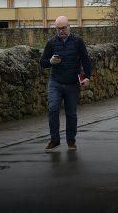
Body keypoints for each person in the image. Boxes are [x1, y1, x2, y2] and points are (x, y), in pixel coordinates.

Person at [39, 16, 92, 152]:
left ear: (69, 27)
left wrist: (87, 77)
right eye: (58, 29)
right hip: (55, 82)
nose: (61, 31)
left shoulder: (77, 41)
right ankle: (55, 140)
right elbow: (42, 62)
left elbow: (85, 60)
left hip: (72, 83)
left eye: (63, 28)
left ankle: (71, 140)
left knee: (71, 113)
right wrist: (50, 61)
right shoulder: (51, 42)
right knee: (53, 109)